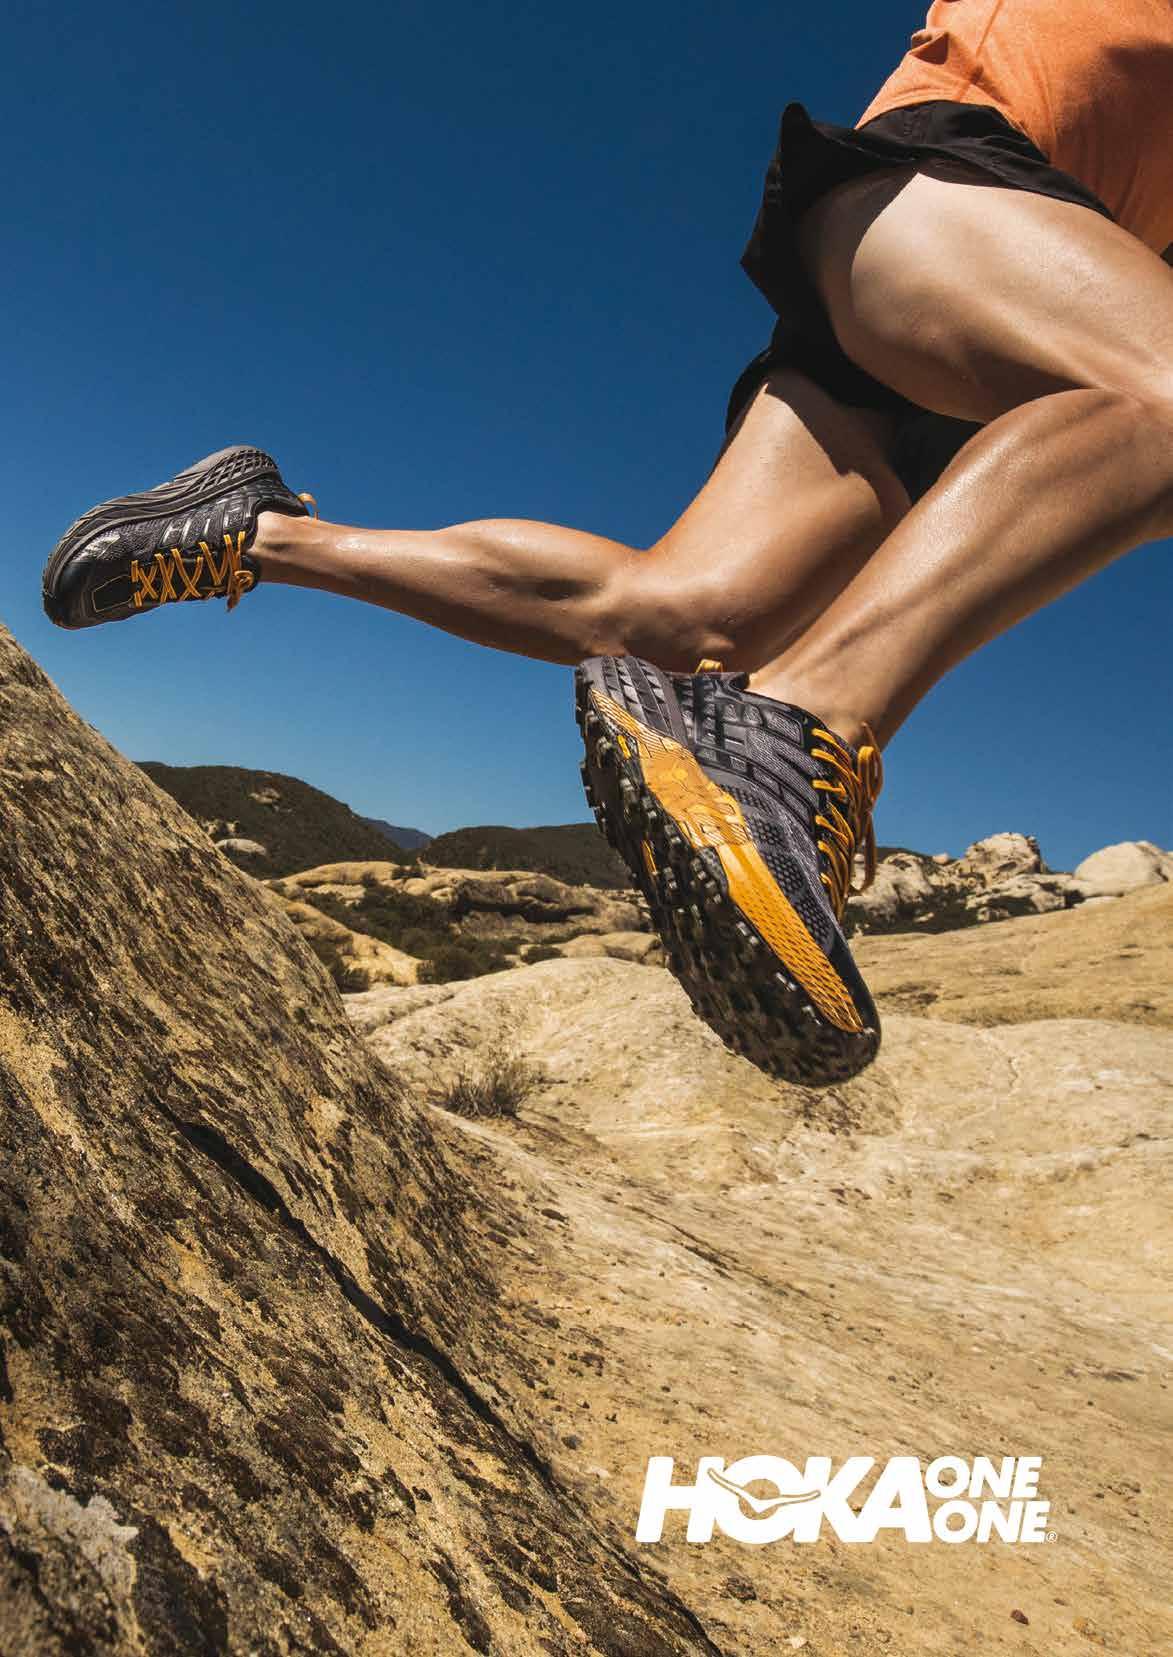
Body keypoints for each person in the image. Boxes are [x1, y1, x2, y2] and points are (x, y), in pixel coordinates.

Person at [42, 1, 1173, 1085]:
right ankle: (799, 729)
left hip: (992, 321)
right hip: (955, 191)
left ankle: (261, 532)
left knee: (682, 620)